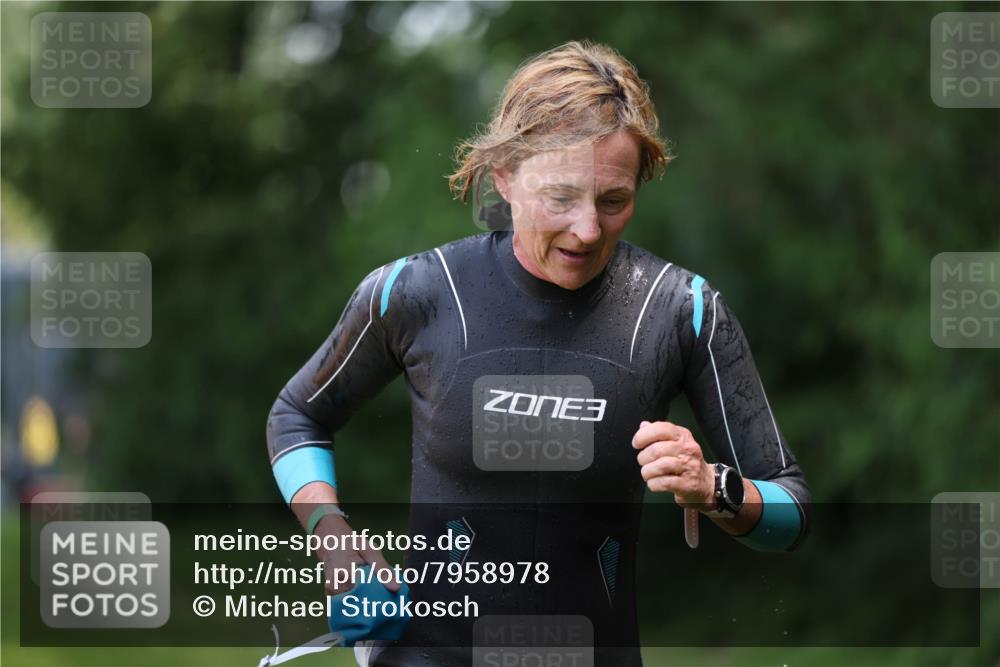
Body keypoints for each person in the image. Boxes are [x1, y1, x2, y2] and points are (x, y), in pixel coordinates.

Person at [266, 40, 810, 667]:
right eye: (560, 198)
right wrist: (329, 532)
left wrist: (712, 486)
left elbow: (791, 510)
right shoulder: (416, 292)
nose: (587, 229)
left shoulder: (678, 309)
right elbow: (296, 415)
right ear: (505, 177)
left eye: (614, 201)